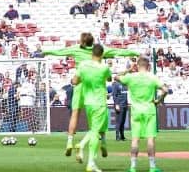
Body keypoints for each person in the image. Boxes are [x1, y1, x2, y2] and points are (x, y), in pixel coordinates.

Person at [43, 32, 139, 156]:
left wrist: (45, 51)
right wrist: (135, 53)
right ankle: (103, 142)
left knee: (75, 113)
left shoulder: (76, 49)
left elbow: (60, 51)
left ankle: (69, 142)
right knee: (98, 116)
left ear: (81, 41)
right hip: (95, 86)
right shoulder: (98, 50)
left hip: (80, 84)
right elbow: (118, 51)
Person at [72, 44, 111, 172]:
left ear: (92, 53)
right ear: (102, 54)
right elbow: (109, 78)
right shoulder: (104, 67)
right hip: (99, 102)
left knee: (94, 129)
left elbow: (75, 81)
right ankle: (90, 163)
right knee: (95, 132)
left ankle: (83, 146)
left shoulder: (83, 65)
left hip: (88, 102)